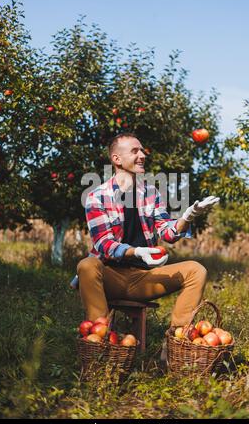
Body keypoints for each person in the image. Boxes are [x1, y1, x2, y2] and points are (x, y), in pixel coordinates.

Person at [73, 132, 219, 361]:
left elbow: (167, 233)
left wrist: (188, 217)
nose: (142, 155)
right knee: (86, 265)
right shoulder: (97, 196)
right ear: (116, 159)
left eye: (142, 151)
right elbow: (103, 244)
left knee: (196, 270)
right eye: (135, 151)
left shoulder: (150, 193)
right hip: (111, 275)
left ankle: (176, 341)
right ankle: (100, 338)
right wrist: (136, 251)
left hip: (144, 278)